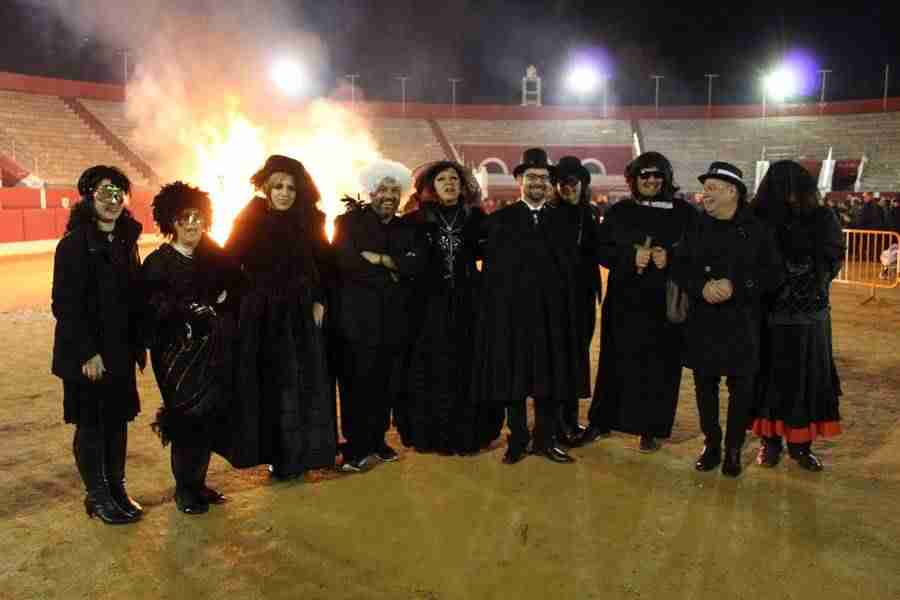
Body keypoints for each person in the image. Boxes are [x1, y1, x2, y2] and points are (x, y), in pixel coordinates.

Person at [225, 155, 335, 479]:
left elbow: (324, 263)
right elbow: (229, 261)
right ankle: (276, 455)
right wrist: (245, 300)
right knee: (270, 386)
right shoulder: (249, 219)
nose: (285, 193)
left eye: (290, 187)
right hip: (264, 316)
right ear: (267, 189)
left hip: (300, 314)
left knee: (301, 385)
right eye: (278, 187)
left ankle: (299, 455)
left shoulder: (309, 220)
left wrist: (320, 300)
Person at [576, 152, 695, 453]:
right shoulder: (620, 211)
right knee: (614, 362)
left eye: (658, 175)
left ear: (666, 178)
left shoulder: (684, 213)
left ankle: (650, 427)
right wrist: (630, 256)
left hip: (664, 304)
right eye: (645, 175)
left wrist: (672, 257)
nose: (651, 180)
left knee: (660, 366)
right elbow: (601, 250)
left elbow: (699, 252)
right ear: (634, 179)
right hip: (624, 302)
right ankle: (602, 421)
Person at [470, 148, 583, 464]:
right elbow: (492, 273)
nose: (537, 182)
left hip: (551, 315)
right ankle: (517, 440)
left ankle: (545, 439)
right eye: (531, 176)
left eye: (543, 178)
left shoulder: (563, 220)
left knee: (549, 376)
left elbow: (569, 270)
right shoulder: (499, 221)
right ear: (519, 180)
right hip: (513, 315)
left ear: (549, 183)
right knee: (514, 378)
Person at [673, 163, 782, 477]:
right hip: (703, 321)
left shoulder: (758, 229)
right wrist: (701, 287)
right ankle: (712, 444)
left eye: (712, 188)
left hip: (743, 322)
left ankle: (733, 448)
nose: (704, 194)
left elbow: (773, 274)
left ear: (732, 191)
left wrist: (738, 286)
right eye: (705, 189)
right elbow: (679, 267)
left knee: (741, 387)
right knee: (704, 385)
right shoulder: (695, 226)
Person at [51, 165, 145, 524]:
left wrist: (138, 343)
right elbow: (65, 305)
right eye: (105, 192)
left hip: (119, 350)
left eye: (119, 193)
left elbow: (133, 298)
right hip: (87, 355)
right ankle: (98, 494)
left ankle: (117, 488)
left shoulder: (125, 242)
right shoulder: (73, 245)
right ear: (89, 197)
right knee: (91, 423)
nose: (113, 200)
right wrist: (87, 352)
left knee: (118, 420)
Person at [143, 182, 243, 514]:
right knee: (186, 419)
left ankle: (198, 484)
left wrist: (219, 301)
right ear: (171, 222)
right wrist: (187, 312)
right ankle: (184, 490)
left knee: (208, 417)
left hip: (211, 351)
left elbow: (234, 285)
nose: (191, 224)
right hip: (176, 356)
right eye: (184, 218)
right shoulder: (158, 262)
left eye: (197, 217)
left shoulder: (210, 258)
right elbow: (153, 309)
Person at [750, 160, 845, 471]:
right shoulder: (758, 218)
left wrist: (810, 278)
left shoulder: (822, 217)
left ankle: (801, 446)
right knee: (770, 381)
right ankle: (769, 443)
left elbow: (833, 255)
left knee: (807, 379)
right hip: (770, 316)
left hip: (809, 316)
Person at [333, 159, 426, 471]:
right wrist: (393, 271)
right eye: (383, 189)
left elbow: (416, 265)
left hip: (393, 321)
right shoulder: (348, 223)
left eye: (394, 190)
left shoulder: (406, 227)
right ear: (371, 192)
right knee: (357, 386)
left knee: (386, 384)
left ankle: (377, 441)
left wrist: (380, 260)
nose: (389, 195)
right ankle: (355, 447)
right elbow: (346, 263)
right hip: (357, 322)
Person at [402, 160, 486, 455]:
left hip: (467, 303)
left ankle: (466, 435)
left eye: (454, 179)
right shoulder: (417, 219)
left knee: (465, 366)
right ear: (431, 186)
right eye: (442, 180)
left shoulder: (476, 217)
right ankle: (434, 435)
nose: (449, 183)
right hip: (430, 306)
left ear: (462, 185)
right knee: (434, 367)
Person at [552, 156, 601, 443]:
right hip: (556, 298)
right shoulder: (549, 214)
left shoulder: (589, 213)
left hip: (582, 298)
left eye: (574, 182)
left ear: (583, 184)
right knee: (558, 358)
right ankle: (557, 423)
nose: (568, 188)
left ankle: (569, 419)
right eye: (563, 183)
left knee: (577, 357)